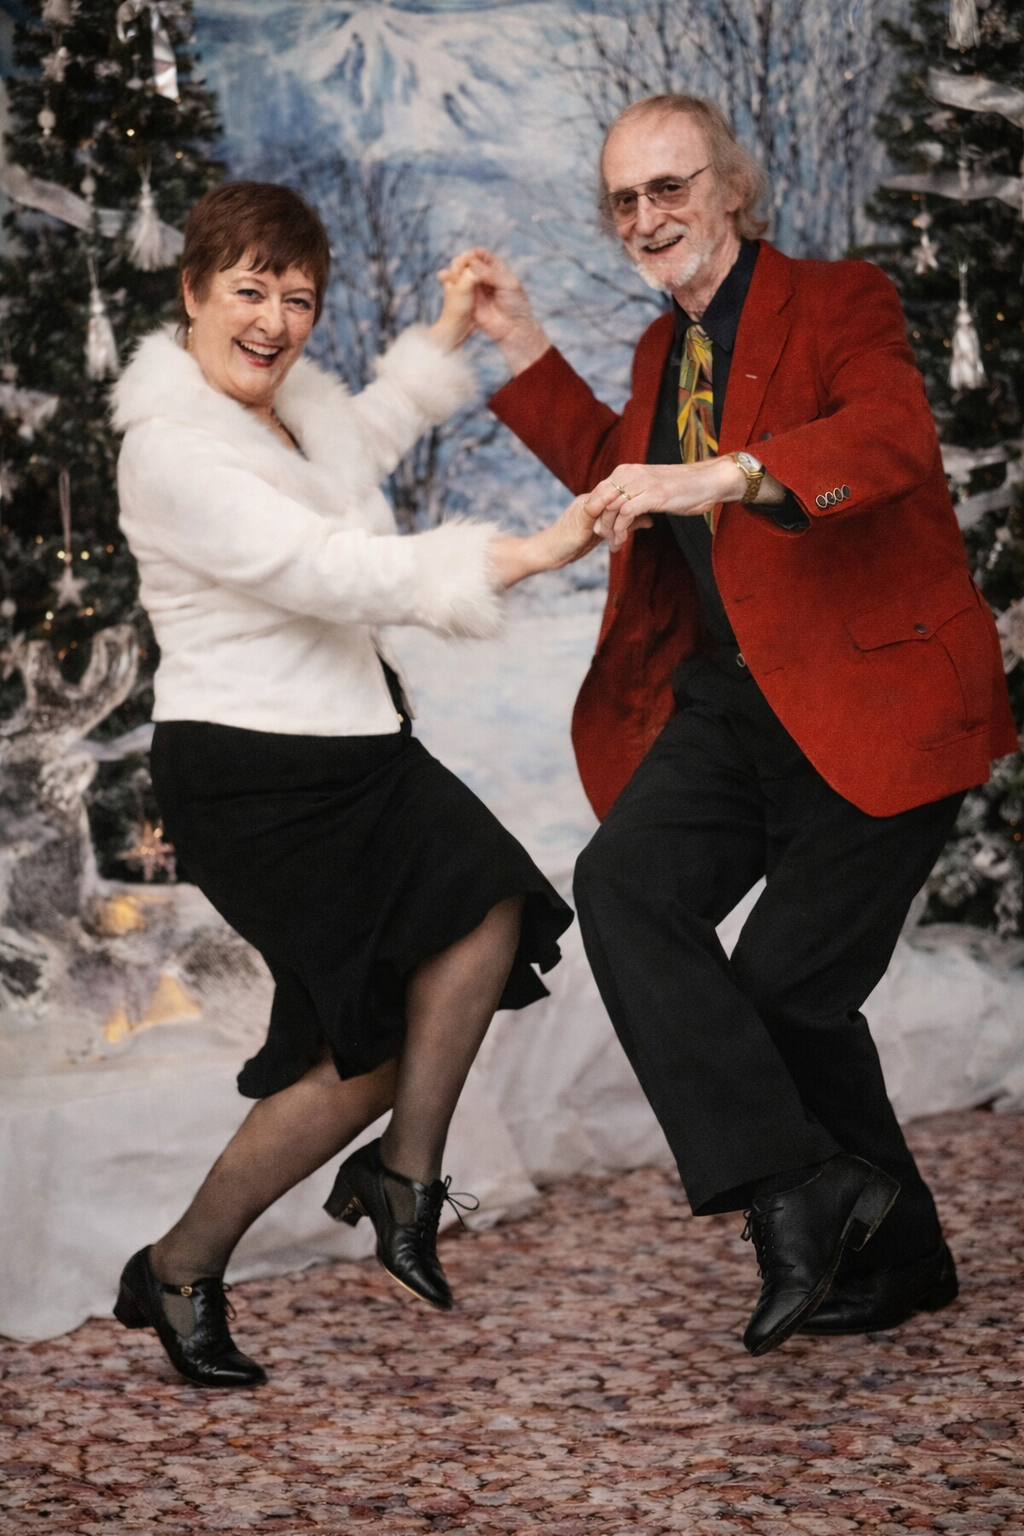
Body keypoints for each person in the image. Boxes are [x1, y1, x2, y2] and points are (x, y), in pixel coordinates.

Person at [456, 95, 1017, 1356]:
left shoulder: (840, 300)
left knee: (787, 992)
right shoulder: (668, 355)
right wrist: (524, 341)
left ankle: (868, 1231)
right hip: (732, 702)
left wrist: (732, 472)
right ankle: (811, 1195)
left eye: (670, 187)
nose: (648, 217)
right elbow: (624, 464)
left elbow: (887, 438)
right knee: (625, 886)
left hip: (876, 694)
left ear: (730, 189)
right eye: (624, 201)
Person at [110, 181, 598, 1388]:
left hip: (355, 748)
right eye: (248, 291)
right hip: (252, 771)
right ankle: (187, 1265)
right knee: (372, 1042)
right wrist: (524, 553)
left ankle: (393, 1180)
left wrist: (445, 336)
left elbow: (362, 441)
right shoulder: (171, 448)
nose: (274, 321)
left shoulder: (282, 413)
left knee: (486, 907)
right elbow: (321, 563)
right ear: (193, 292)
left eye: (298, 298)